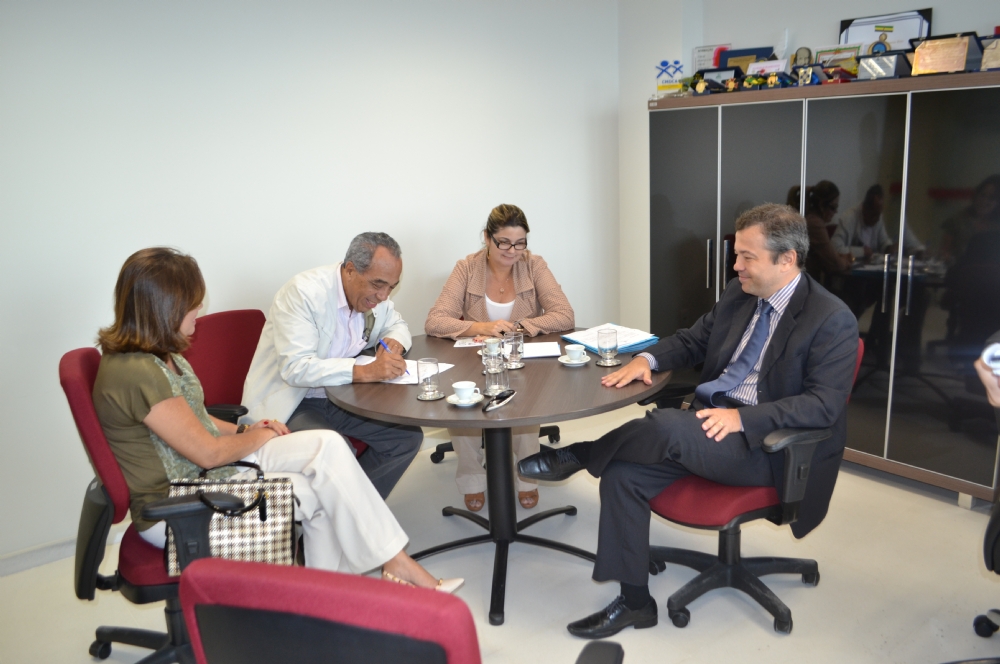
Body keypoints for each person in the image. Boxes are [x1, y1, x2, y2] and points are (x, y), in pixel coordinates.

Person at [517, 204, 858, 638]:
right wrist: (646, 359)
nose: (736, 267)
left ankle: (580, 455)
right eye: (736, 255)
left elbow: (823, 405)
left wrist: (742, 418)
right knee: (622, 475)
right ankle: (635, 603)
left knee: (663, 426)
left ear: (786, 259)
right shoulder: (740, 294)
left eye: (747, 257)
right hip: (706, 427)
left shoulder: (830, 319)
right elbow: (694, 340)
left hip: (764, 446)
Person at [93, 247, 460, 591]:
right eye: (192, 302)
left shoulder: (162, 357)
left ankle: (351, 587)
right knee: (322, 489)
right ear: (164, 307)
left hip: (209, 478)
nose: (199, 307)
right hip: (181, 507)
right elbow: (208, 453)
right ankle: (370, 576)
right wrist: (261, 435)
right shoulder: (137, 373)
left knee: (328, 451)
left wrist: (244, 428)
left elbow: (196, 419)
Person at [242, 232, 422, 499]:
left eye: (391, 287)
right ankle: (347, 514)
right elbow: (296, 368)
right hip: (295, 401)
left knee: (406, 439)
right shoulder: (303, 294)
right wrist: (363, 372)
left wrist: (393, 342)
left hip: (341, 398)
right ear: (350, 270)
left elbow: (397, 324)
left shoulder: (373, 297)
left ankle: (359, 508)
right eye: (378, 284)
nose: (384, 295)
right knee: (339, 453)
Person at [425, 204, 575, 512]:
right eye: (504, 242)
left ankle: (528, 477)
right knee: (463, 403)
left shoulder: (534, 265)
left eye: (520, 243)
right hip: (473, 359)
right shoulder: (466, 268)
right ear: (487, 238)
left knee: (524, 402)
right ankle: (471, 480)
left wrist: (519, 327)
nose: (512, 251)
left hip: (520, 359)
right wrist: (481, 327)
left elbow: (564, 315)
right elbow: (435, 321)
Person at [831, 184, 925, 262]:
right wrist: (861, 251)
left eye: (878, 215)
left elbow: (883, 241)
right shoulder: (849, 218)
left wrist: (889, 247)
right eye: (873, 215)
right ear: (864, 208)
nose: (876, 219)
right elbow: (835, 248)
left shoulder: (878, 217)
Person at [940, 174, 1000, 263]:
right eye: (982, 195)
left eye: (991, 198)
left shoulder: (997, 226)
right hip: (959, 269)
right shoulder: (957, 220)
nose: (984, 201)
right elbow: (944, 252)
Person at [803, 180, 852, 286]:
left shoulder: (811, 220)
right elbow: (836, 264)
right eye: (833, 207)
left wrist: (838, 257)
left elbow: (828, 254)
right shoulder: (815, 224)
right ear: (821, 205)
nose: (835, 212)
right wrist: (846, 262)